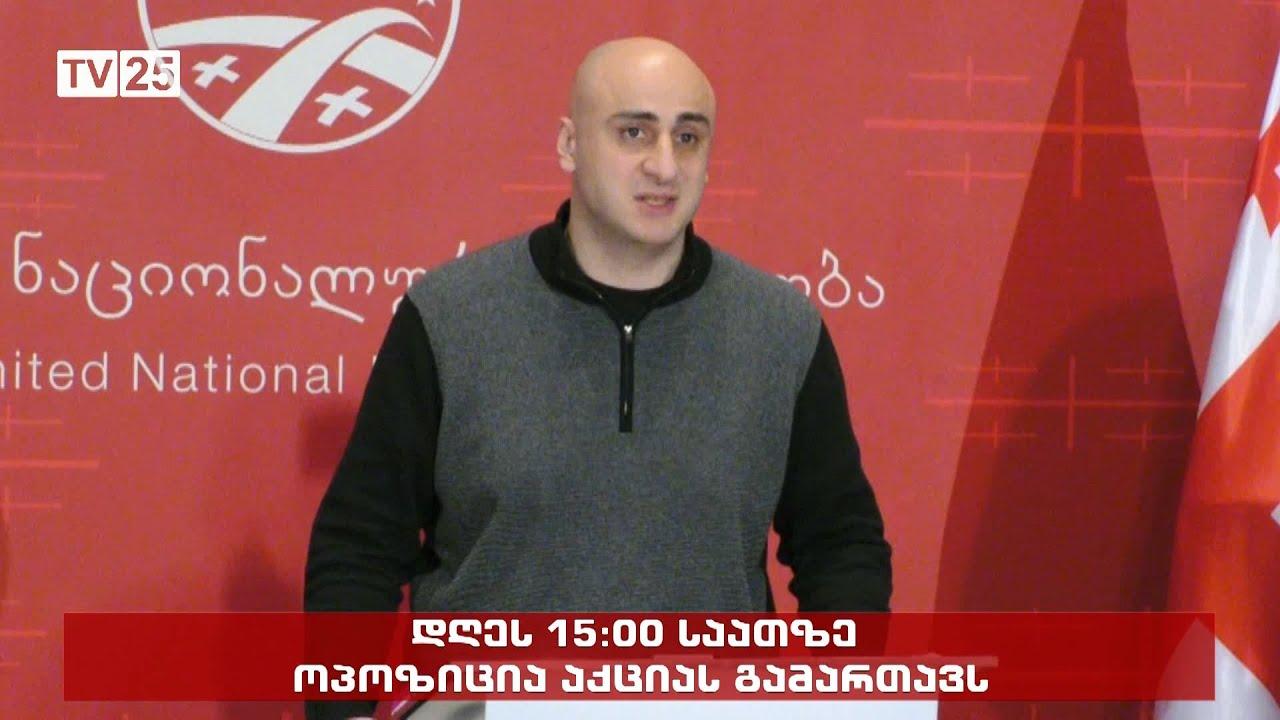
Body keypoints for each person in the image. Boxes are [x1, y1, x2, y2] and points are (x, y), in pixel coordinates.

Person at [303, 37, 892, 720]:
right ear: (569, 145)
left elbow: (841, 547)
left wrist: (839, 698)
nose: (664, 166)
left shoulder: (782, 330)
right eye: (633, 132)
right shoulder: (450, 316)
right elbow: (360, 546)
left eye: (688, 137)